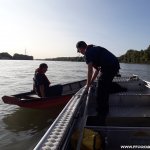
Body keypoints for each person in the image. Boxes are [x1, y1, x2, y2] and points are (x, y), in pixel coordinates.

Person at [76, 41, 120, 124]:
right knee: (103, 83)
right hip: (113, 65)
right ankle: (103, 109)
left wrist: (88, 85)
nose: (80, 53)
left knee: (101, 89)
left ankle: (102, 114)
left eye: (79, 51)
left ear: (81, 48)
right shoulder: (93, 49)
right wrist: (91, 82)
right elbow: (96, 70)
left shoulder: (88, 53)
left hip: (109, 66)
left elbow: (89, 71)